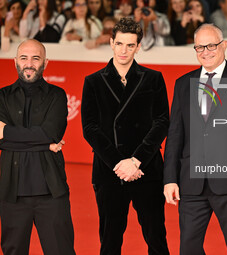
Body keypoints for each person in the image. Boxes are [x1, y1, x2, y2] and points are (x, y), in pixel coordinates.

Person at [163, 23, 227, 255]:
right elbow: (175, 134)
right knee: (188, 249)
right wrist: (169, 178)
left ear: (224, 45)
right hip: (191, 184)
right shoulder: (182, 84)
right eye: (199, 47)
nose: (205, 51)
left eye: (211, 45)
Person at [81, 17, 170, 255]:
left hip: (146, 169)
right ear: (111, 42)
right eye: (119, 44)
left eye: (130, 45)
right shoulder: (93, 82)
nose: (124, 50)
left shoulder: (153, 78)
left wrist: (136, 160)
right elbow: (89, 128)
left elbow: (162, 122)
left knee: (157, 239)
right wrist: (119, 164)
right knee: (109, 242)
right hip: (110, 173)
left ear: (138, 47)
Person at [0, 39, 75, 255]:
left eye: (36, 58)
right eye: (24, 58)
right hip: (11, 194)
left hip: (51, 194)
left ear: (46, 62)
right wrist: (45, 145)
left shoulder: (57, 95)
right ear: (15, 61)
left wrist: (7, 133)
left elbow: (50, 133)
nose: (29, 63)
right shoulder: (1, 97)